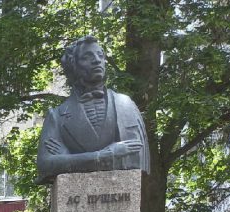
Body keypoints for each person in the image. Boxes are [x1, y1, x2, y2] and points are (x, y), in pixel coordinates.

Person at [36, 36, 150, 184]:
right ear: (73, 66)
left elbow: (135, 156)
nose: (97, 60)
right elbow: (45, 165)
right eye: (87, 57)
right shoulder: (57, 116)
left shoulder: (126, 106)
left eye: (100, 55)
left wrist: (68, 159)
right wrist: (103, 156)